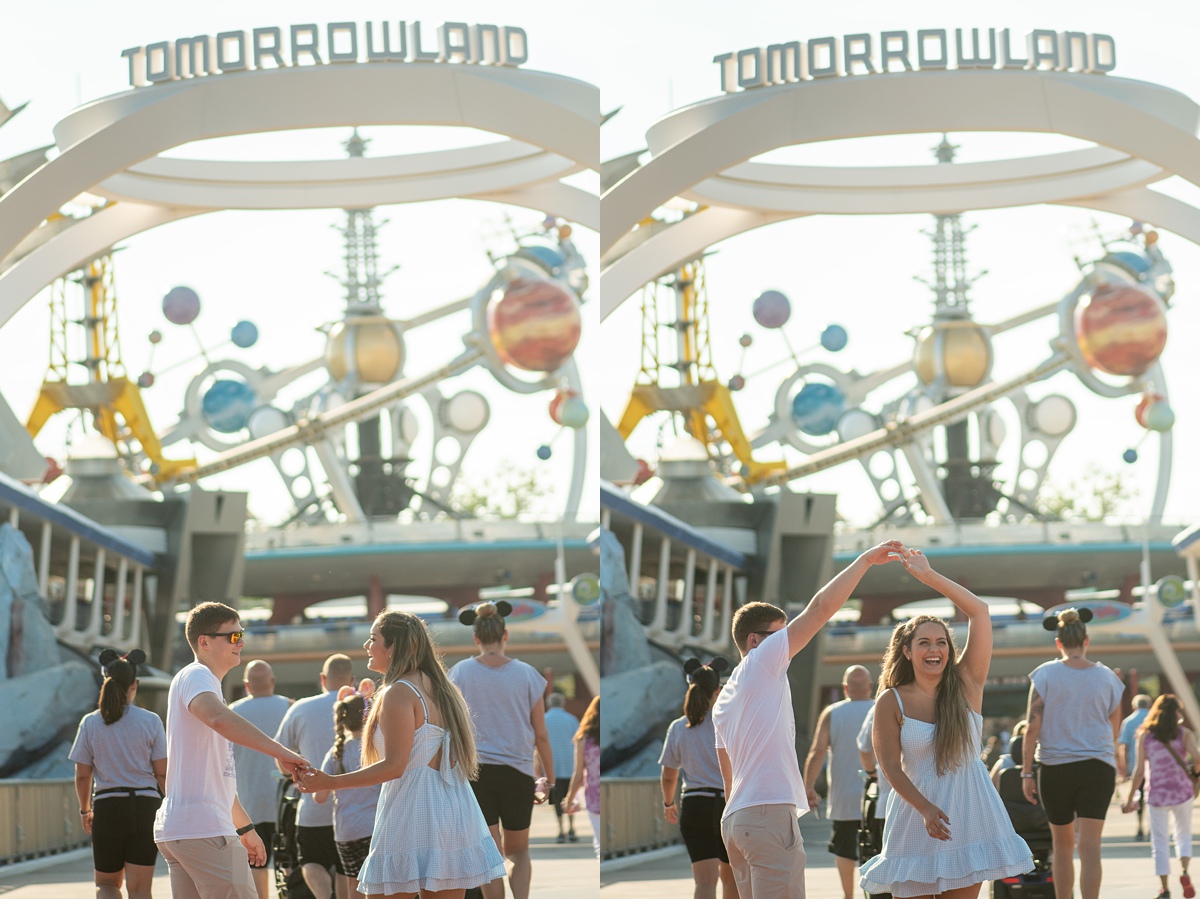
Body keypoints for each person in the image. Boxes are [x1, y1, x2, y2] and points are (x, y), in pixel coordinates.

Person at [712, 540, 904, 899]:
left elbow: (728, 778)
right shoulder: (762, 661)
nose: (789, 642)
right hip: (768, 815)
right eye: (780, 634)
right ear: (755, 640)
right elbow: (820, 609)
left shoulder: (723, 699)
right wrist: (863, 560)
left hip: (736, 820)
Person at [859, 547, 1032, 899]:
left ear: (950, 651)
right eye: (924, 642)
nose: (934, 649)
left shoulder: (967, 684)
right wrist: (924, 808)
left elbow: (979, 611)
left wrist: (928, 576)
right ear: (907, 651)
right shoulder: (890, 700)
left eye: (941, 642)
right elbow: (890, 766)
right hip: (915, 815)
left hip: (970, 812)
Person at [297, 610, 505, 897]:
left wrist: (330, 782)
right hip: (451, 808)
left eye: (373, 639)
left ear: (393, 647)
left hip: (411, 810)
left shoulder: (398, 692)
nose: (366, 646)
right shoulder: (441, 688)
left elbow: (394, 766)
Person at [154, 602, 309, 899]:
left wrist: (245, 828)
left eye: (242, 635)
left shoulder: (203, 682)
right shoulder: (197, 675)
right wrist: (282, 752)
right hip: (203, 831)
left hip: (184, 831)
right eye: (234, 636)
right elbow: (218, 719)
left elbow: (217, 778)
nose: (242, 642)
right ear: (205, 642)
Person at [449, 601, 554, 899]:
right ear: (505, 635)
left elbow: (452, 731)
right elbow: (541, 736)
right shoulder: (528, 675)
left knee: (490, 854)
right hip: (518, 773)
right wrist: (552, 780)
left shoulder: (459, 674)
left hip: (476, 774)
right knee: (519, 851)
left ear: (476, 638)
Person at [1021, 607, 1124, 899]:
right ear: (1086, 640)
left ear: (1058, 642)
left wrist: (1027, 772)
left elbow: (1032, 726)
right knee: (1091, 847)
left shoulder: (1045, 674)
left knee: (1062, 846)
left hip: (1056, 768)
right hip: (1098, 767)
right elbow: (1113, 730)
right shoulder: (1108, 678)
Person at [70, 649, 166, 899]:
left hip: (108, 806)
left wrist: (84, 810)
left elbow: (82, 774)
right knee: (141, 889)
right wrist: (170, 807)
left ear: (106, 681)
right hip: (146, 807)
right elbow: (162, 773)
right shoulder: (151, 721)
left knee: (107, 884)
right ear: (135, 684)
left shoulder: (91, 722)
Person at [275, 653, 356, 899]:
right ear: (352, 680)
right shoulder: (364, 708)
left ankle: (324, 897)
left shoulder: (301, 708)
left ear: (322, 678)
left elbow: (280, 754)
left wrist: (294, 775)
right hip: (355, 809)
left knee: (310, 860)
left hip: (313, 809)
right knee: (347, 868)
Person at [659, 657, 738, 899]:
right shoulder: (730, 724)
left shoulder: (679, 727)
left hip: (695, 805)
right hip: (729, 804)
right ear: (719, 690)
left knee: (704, 882)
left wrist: (668, 803)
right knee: (731, 880)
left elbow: (669, 775)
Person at [803, 665, 875, 899]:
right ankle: (874, 891)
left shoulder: (832, 712)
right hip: (876, 793)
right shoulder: (880, 708)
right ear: (870, 687)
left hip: (843, 795)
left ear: (845, 688)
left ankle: (848, 895)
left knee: (844, 848)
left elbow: (818, 751)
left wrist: (808, 787)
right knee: (876, 846)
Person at [1121, 694, 1198, 899]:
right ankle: (1184, 871)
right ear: (1176, 712)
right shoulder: (1184, 733)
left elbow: (1138, 772)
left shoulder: (1145, 735)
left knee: (1160, 841)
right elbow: (1198, 759)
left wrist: (1129, 799)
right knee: (1183, 835)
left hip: (1157, 794)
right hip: (1182, 792)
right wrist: (1196, 776)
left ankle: (1164, 888)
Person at [230, 660, 293, 899]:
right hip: (284, 802)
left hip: (246, 806)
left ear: (246, 685)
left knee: (253, 865)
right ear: (273, 681)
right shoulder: (290, 707)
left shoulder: (232, 712)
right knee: (288, 865)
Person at [314, 688, 382, 899]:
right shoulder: (377, 748)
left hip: (346, 831)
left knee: (355, 885)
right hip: (375, 828)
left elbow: (319, 797)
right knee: (379, 885)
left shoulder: (336, 753)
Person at [856, 704, 892, 899]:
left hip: (889, 805)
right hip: (935, 807)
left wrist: (872, 773)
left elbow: (864, 746)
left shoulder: (883, 703)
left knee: (888, 872)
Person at [542, 692, 581, 843]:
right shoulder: (572, 720)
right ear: (563, 703)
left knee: (556, 800)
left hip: (552, 768)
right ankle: (572, 828)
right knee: (570, 798)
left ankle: (560, 830)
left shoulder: (544, 720)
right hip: (570, 765)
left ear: (549, 704)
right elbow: (578, 742)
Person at [566, 695, 601, 858]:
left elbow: (578, 774)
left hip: (594, 796)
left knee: (599, 841)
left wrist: (570, 799)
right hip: (611, 794)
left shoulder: (584, 739)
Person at [1121, 694, 1154, 841]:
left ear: (1135, 705)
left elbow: (1124, 747)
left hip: (1136, 764)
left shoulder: (1128, 722)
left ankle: (1140, 826)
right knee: (1153, 797)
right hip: (1155, 766)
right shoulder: (1155, 720)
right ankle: (1153, 826)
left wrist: (1124, 767)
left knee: (1138, 796)